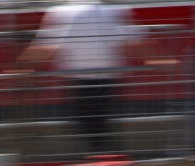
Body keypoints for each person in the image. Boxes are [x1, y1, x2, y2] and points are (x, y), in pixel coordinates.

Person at [14, 0, 146, 154]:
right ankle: (103, 157)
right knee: (103, 124)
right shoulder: (114, 11)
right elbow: (133, 42)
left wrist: (25, 65)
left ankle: (97, 157)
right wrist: (155, 59)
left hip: (78, 82)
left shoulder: (62, 12)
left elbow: (46, 47)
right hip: (108, 80)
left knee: (86, 125)